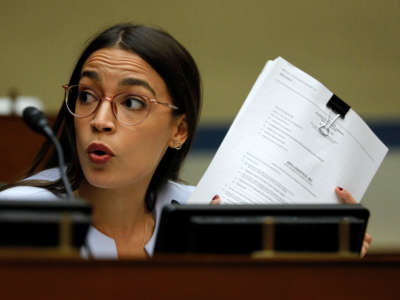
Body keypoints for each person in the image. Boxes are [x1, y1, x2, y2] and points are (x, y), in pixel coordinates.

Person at [0, 23, 371, 258]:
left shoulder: (208, 215)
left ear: (179, 130)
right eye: (86, 96)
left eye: (131, 102)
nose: (99, 121)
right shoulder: (15, 215)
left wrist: (332, 267)